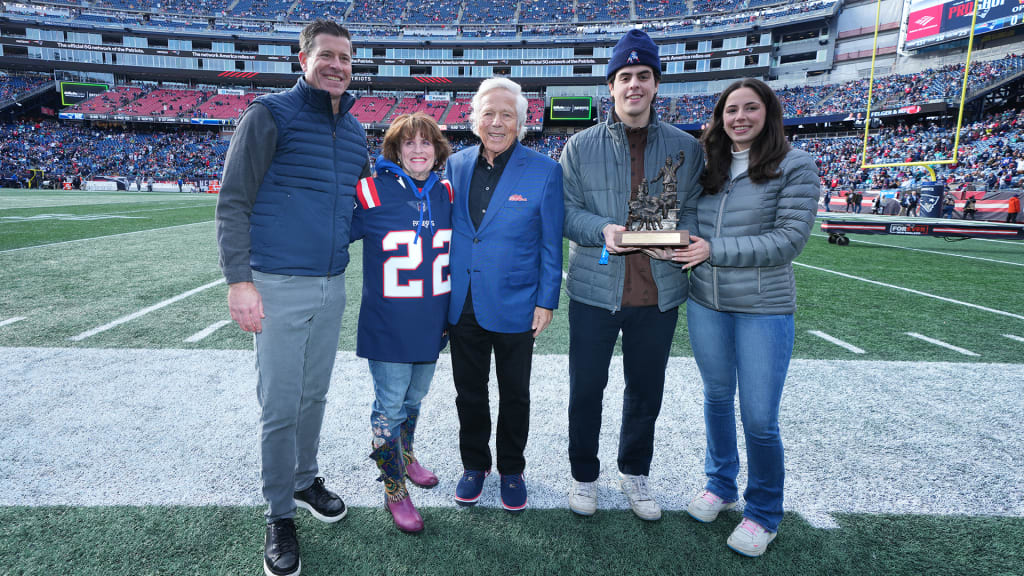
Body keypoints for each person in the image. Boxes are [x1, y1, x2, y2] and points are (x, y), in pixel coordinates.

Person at [215, 20, 368, 576]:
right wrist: (239, 280)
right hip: (276, 283)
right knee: (279, 406)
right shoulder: (268, 114)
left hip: (331, 284)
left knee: (315, 396)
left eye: (345, 58)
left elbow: (363, 210)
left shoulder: (354, 132)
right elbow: (233, 201)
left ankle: (304, 480)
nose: (336, 65)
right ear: (301, 58)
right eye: (326, 55)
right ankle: (279, 512)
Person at [560, 29, 704, 521]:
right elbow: (565, 212)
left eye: (644, 76)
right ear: (612, 86)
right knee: (586, 389)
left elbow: (695, 210)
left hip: (657, 292)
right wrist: (602, 229)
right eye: (625, 77)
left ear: (656, 84)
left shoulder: (686, 146)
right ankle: (584, 475)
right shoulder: (579, 146)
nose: (634, 85)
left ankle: (635, 473)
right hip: (595, 291)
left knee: (646, 390)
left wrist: (682, 239)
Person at [672, 78, 819, 557]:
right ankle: (720, 483)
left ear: (768, 112)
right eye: (731, 109)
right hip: (706, 302)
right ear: (719, 116)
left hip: (763, 307)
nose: (739, 117)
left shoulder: (795, 165)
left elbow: (788, 240)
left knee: (759, 418)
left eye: (750, 108)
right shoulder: (707, 163)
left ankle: (764, 512)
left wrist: (713, 249)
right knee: (716, 398)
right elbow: (687, 220)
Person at [444, 77, 564, 514]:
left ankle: (512, 469)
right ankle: (475, 464)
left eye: (507, 114)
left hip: (517, 302)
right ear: (473, 118)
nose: (497, 122)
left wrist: (546, 300)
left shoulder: (545, 171)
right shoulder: (454, 165)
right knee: (468, 392)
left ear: (522, 121)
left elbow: (553, 244)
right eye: (489, 113)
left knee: (515, 394)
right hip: (463, 304)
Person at [351, 112, 453, 533]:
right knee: (389, 409)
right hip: (389, 325)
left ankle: (405, 457)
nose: (417, 149)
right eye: (408, 142)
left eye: (425, 142)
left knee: (413, 401)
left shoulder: (446, 191)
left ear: (437, 150)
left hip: (431, 324)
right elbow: (332, 233)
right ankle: (393, 486)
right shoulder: (370, 191)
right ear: (395, 148)